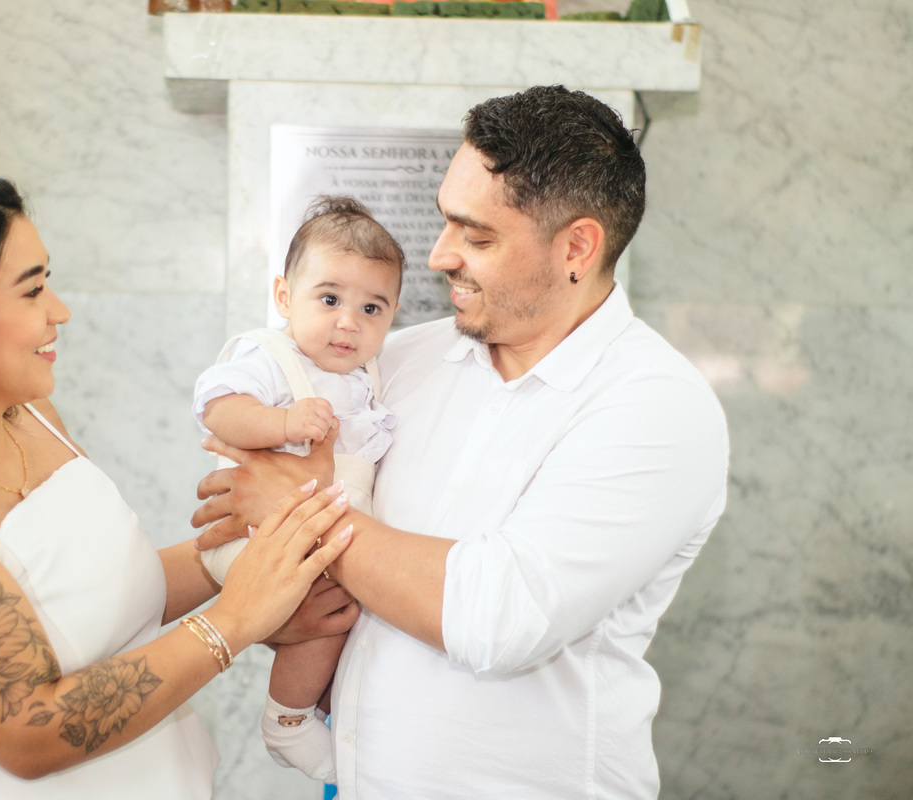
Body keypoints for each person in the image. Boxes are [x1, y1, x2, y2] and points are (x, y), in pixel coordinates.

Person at [191, 85, 730, 798]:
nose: (441, 255)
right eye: (448, 224)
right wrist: (279, 612)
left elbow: (496, 619)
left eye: (476, 237)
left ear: (577, 247)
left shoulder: (657, 407)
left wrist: (303, 512)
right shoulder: (397, 363)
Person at [0, 176, 356, 799]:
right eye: (32, 289)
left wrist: (253, 549)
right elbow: (30, 732)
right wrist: (235, 618)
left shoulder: (30, 417)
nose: (60, 309)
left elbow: (100, 596)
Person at [192, 195, 403, 780]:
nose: (348, 321)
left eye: (371, 308)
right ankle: (287, 721)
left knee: (350, 610)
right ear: (285, 296)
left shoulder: (366, 377)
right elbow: (218, 408)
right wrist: (281, 424)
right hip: (263, 532)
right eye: (330, 299)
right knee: (333, 612)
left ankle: (327, 707)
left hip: (320, 527)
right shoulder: (269, 353)